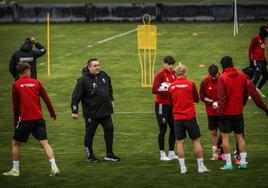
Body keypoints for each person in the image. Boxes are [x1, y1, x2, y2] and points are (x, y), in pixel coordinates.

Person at [3, 62, 59, 177]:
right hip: (39, 118)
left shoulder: (16, 85)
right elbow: (46, 99)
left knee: (15, 143)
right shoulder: (36, 82)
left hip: (25, 120)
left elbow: (15, 106)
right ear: (26, 71)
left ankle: (15, 170)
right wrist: (52, 113)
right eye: (29, 70)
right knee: (45, 143)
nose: (30, 72)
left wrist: (15, 122)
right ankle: (55, 168)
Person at [71, 58, 120, 162]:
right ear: (89, 67)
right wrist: (74, 111)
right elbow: (75, 97)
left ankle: (109, 154)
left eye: (98, 65)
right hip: (91, 113)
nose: (97, 67)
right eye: (95, 65)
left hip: (105, 111)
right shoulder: (82, 80)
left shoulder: (104, 75)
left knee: (109, 129)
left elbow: (109, 89)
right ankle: (90, 156)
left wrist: (111, 99)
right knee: (90, 134)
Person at [168, 64, 211, 174]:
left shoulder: (171, 86)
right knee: (196, 141)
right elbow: (197, 99)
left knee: (180, 142)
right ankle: (201, 167)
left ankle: (183, 168)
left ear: (176, 74)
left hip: (177, 118)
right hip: (190, 117)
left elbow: (171, 102)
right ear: (185, 73)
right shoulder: (190, 84)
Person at [217, 56, 249, 170]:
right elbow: (246, 93)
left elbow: (221, 98)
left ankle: (229, 164)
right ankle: (243, 162)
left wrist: (219, 113)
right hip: (238, 112)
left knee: (225, 138)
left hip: (226, 113)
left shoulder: (222, 77)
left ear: (223, 66)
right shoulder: (242, 75)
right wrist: (242, 105)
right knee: (240, 137)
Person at [152, 56, 178, 161]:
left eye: (172, 64)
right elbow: (154, 90)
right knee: (163, 128)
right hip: (161, 105)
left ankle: (171, 152)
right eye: (169, 64)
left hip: (172, 106)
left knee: (174, 128)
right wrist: (166, 91)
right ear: (164, 64)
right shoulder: (160, 75)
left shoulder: (174, 74)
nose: (171, 66)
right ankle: (162, 154)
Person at [199, 64, 224, 161]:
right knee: (214, 132)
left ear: (218, 73)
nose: (213, 77)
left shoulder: (223, 79)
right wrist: (211, 102)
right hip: (211, 112)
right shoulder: (205, 81)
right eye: (211, 76)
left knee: (224, 133)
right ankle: (215, 154)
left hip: (222, 111)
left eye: (215, 75)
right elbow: (202, 96)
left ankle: (221, 151)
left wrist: (219, 102)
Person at [248, 25, 268, 97]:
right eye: (266, 30)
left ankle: (258, 89)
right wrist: (250, 60)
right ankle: (249, 92)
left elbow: (262, 51)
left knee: (266, 76)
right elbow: (250, 49)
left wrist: (265, 60)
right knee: (257, 76)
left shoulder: (263, 40)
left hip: (262, 61)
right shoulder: (255, 38)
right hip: (256, 60)